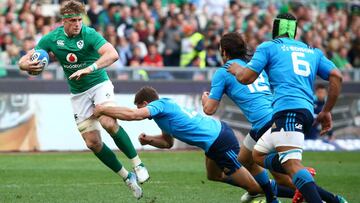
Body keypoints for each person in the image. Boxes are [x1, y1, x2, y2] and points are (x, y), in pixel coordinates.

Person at [18, 0, 148, 200]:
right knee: (93, 143)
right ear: (64, 21)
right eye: (73, 20)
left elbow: (112, 54)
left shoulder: (89, 34)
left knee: (107, 120)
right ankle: (127, 177)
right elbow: (25, 60)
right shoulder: (51, 39)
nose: (77, 24)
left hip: (99, 85)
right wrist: (25, 66)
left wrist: (90, 68)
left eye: (79, 19)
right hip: (78, 94)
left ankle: (138, 163)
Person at [228, 13, 347, 203]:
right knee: (257, 155)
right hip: (301, 111)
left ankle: (311, 184)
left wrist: (236, 70)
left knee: (291, 164)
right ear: (295, 30)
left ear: (275, 29)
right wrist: (326, 111)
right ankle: (313, 183)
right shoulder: (312, 51)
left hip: (289, 110)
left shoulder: (269, 47)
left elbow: (245, 78)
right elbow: (336, 75)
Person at [94, 86, 267, 198]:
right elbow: (168, 143)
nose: (141, 111)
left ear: (146, 103)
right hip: (213, 140)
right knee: (213, 175)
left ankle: (270, 192)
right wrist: (149, 141)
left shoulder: (160, 105)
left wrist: (103, 109)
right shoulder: (162, 113)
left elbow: (134, 115)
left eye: (141, 106)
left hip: (219, 139)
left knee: (254, 188)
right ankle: (263, 188)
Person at [202, 32, 297, 203]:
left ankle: (323, 198)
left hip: (265, 123)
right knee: (244, 158)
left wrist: (205, 99)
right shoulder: (254, 67)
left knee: (284, 178)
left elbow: (209, 109)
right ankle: (271, 198)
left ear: (224, 51)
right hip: (272, 117)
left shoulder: (223, 72)